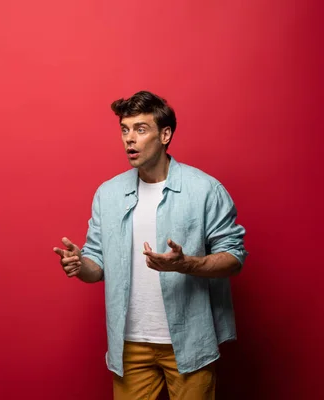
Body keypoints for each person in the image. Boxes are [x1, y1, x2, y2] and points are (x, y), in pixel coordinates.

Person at [53, 91, 248, 400]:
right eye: (125, 129)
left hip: (190, 341)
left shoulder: (205, 190)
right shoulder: (108, 194)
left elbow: (235, 258)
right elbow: (96, 265)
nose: (130, 139)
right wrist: (80, 265)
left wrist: (187, 264)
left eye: (140, 129)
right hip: (130, 345)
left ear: (165, 134)